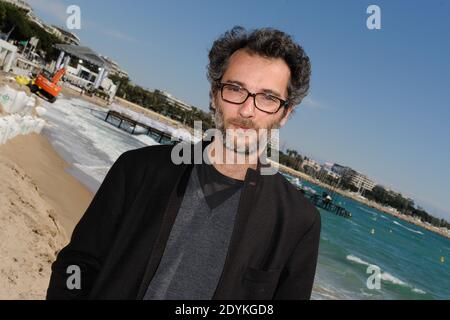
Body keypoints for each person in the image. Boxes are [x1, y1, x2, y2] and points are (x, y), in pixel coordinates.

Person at [47, 26, 321, 300]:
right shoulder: (136, 169)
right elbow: (76, 265)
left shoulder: (298, 221)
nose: (247, 110)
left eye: (268, 97)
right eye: (236, 89)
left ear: (285, 113)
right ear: (215, 95)